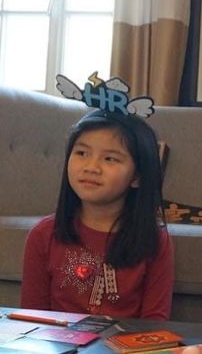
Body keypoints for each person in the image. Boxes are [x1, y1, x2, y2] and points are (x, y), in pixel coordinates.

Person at [21, 109, 174, 320]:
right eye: (82, 153)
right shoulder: (43, 234)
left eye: (110, 158)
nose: (91, 167)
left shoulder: (154, 240)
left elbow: (155, 321)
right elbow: (32, 317)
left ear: (137, 176)